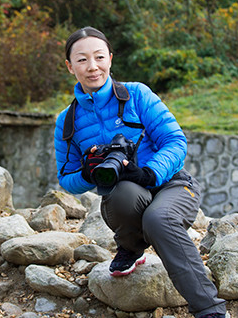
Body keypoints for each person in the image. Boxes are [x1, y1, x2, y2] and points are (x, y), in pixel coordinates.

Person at [54, 26, 227, 318]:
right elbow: (66, 179)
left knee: (158, 219)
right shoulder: (67, 120)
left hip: (173, 184)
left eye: (99, 57)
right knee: (120, 193)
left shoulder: (137, 95)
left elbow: (175, 141)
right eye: (82, 60)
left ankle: (210, 310)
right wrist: (87, 172)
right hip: (127, 195)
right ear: (70, 67)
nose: (92, 67)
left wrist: (149, 172)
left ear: (110, 58)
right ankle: (131, 247)